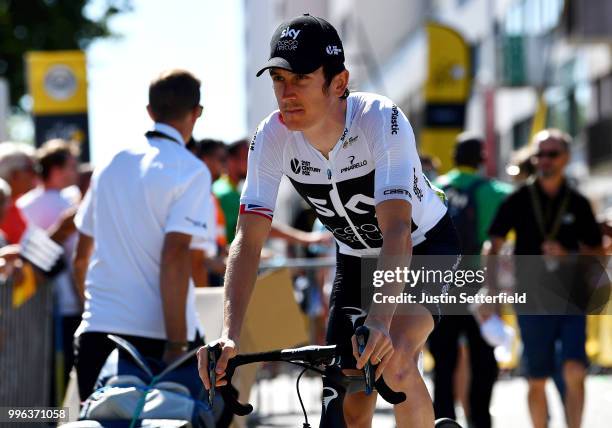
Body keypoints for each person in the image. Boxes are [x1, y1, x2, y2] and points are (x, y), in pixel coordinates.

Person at [198, 14, 459, 427]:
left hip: (425, 246)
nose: (286, 93)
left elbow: (397, 232)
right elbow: (247, 243)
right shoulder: (271, 137)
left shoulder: (380, 119)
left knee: (396, 361)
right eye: (278, 79)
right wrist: (229, 333)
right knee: (349, 408)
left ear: (338, 83)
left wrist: (379, 319)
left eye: (300, 78)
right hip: (355, 258)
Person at [72, 69, 211, 402]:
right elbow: (176, 255)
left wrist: (94, 310)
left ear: (150, 111)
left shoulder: (109, 164)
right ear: (197, 113)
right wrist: (177, 344)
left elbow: (80, 257)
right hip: (159, 337)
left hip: (97, 332)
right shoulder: (190, 170)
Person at [487, 129, 604, 428]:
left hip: (570, 297)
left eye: (552, 154)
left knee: (575, 370)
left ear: (565, 158)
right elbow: (493, 246)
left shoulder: (577, 201)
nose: (544, 160)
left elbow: (596, 250)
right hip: (531, 298)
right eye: (540, 154)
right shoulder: (519, 199)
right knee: (536, 377)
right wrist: (494, 293)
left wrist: (569, 254)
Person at [430, 134, 512, 428]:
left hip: (440, 283)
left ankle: (443, 420)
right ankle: (480, 420)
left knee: (443, 361)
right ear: (482, 158)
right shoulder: (496, 191)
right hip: (479, 283)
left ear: (454, 156)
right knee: (482, 360)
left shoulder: (434, 187)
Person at [17, 138, 82, 391]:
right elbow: (78, 255)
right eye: (72, 165)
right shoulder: (68, 206)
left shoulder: (23, 205)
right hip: (65, 303)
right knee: (64, 377)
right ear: (57, 170)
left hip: (28, 303)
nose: (75, 172)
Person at [0, 142, 38, 244]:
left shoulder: (15, 204)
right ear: (14, 174)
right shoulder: (4, 208)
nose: (36, 174)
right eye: (31, 169)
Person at [213, 139, 248, 244]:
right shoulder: (227, 194)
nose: (253, 163)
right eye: (247, 158)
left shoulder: (222, 187)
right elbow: (255, 223)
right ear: (231, 161)